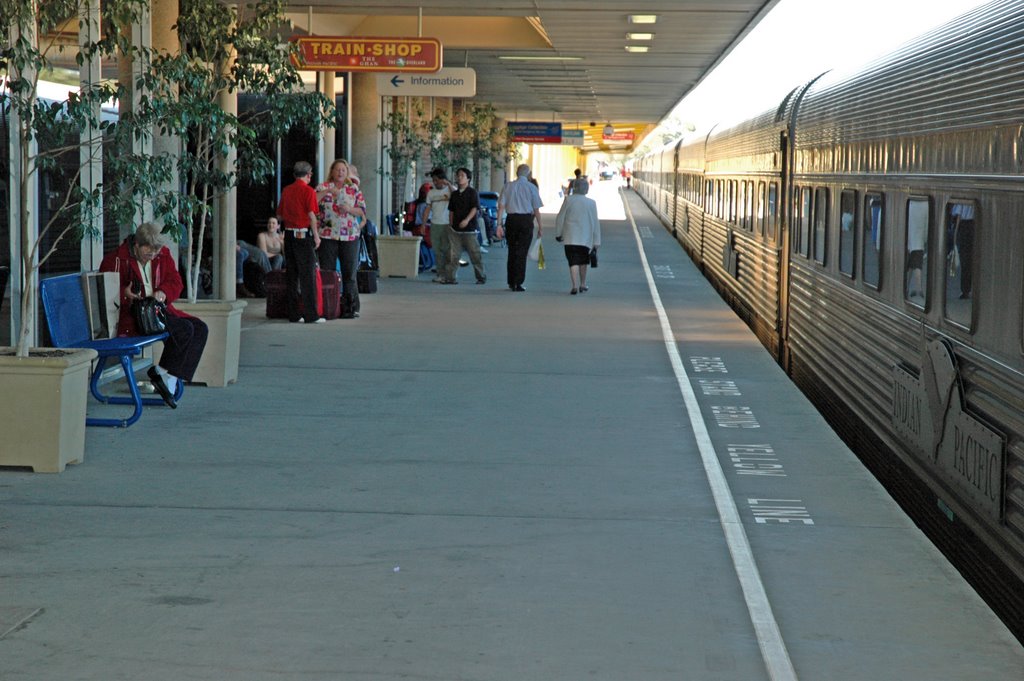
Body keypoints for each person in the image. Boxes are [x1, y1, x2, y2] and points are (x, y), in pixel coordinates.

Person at [99, 222, 208, 408]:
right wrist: (125, 295)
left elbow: (175, 281)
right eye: (148, 251)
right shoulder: (116, 260)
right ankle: (163, 377)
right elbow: (104, 293)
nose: (153, 255)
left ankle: (167, 375)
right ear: (136, 245)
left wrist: (163, 292)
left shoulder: (162, 254)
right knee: (184, 329)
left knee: (200, 328)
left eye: (156, 251)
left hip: (156, 310)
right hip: (133, 316)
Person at [316, 158, 366, 319]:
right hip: (327, 234)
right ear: (331, 171)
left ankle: (351, 307)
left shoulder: (353, 189)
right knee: (328, 271)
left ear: (347, 173)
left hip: (349, 235)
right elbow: (312, 203)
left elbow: (362, 212)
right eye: (337, 170)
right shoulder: (323, 187)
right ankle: (328, 305)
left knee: (349, 273)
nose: (340, 172)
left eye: (343, 170)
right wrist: (327, 192)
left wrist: (350, 209)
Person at [277, 160, 323, 324]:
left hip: (289, 236)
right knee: (307, 276)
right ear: (309, 174)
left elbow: (280, 216)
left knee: (292, 276)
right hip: (303, 235)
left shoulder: (287, 190)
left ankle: (294, 314)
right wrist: (316, 236)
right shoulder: (309, 191)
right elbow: (311, 216)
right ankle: (311, 314)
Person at [497, 163, 543, 292]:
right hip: (526, 221)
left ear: (517, 173)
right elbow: (536, 209)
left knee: (512, 251)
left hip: (511, 220)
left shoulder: (507, 186)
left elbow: (501, 207)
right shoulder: (532, 188)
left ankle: (511, 281)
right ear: (528, 174)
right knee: (522, 252)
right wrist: (540, 226)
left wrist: (499, 224)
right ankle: (518, 282)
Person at [555, 177, 601, 294]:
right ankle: (583, 284)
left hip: (570, 237)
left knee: (572, 261)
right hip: (585, 238)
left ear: (574, 188)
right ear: (586, 189)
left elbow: (560, 218)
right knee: (583, 262)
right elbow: (595, 222)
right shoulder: (591, 203)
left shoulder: (568, 200)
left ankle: (574, 285)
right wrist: (597, 241)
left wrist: (559, 233)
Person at [447, 167, 486, 285]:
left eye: (462, 176)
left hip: (469, 230)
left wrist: (467, 220)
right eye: (458, 175)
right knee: (454, 255)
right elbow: (451, 210)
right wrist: (451, 224)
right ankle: (450, 278)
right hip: (455, 230)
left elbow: (475, 208)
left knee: (474, 254)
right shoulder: (454, 194)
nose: (459, 178)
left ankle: (481, 277)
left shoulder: (472, 192)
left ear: (468, 179)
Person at [425, 168, 453, 284]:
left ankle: (449, 274)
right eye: (434, 180)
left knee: (447, 250)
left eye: (437, 180)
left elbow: (457, 195)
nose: (435, 183)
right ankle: (440, 274)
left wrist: (449, 184)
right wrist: (423, 224)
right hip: (435, 223)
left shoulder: (450, 191)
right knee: (437, 250)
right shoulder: (431, 193)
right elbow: (427, 209)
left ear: (443, 180)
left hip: (447, 224)